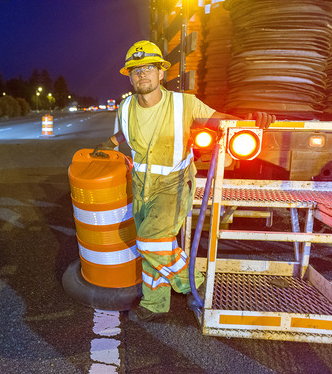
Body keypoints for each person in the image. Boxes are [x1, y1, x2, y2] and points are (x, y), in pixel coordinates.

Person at [94, 40, 275, 324]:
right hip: (141, 185)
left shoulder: (184, 103)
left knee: (150, 241)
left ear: (161, 73)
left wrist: (248, 122)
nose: (142, 74)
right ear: (129, 76)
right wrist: (108, 143)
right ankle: (155, 304)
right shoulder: (126, 106)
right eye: (136, 70)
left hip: (173, 184)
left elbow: (220, 121)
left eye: (149, 68)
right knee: (156, 244)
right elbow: (126, 136)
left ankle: (193, 281)